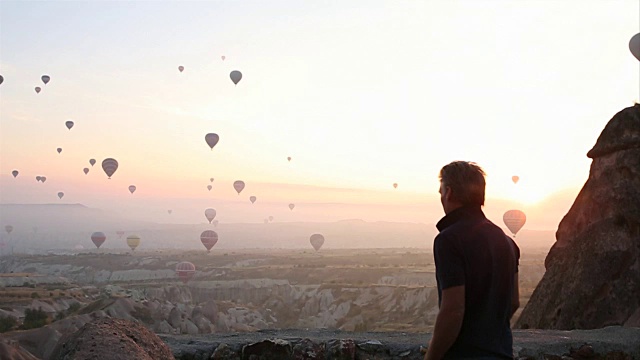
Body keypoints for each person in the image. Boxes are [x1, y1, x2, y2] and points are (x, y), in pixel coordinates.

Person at [425, 161, 520, 360]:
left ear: (449, 192)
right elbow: (513, 302)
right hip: (501, 353)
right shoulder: (507, 242)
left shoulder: (448, 240)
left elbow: (453, 310)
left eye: (441, 191)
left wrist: (431, 357)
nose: (441, 197)